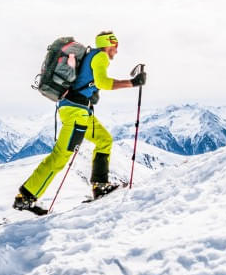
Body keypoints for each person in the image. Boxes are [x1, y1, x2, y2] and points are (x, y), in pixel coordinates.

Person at [13, 30, 147, 213]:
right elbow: (103, 83)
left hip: (79, 110)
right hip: (76, 112)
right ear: (108, 44)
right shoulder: (100, 56)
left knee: (104, 140)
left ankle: (100, 186)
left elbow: (91, 83)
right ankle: (26, 197)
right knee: (60, 156)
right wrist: (132, 83)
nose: (116, 51)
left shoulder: (91, 56)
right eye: (115, 46)